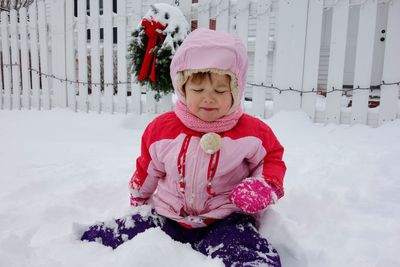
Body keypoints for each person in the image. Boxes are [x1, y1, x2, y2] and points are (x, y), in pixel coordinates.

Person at [81, 28, 286, 267]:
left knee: (243, 250)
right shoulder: (162, 129)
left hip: (226, 218)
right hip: (169, 216)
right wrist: (139, 198)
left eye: (220, 91)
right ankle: (81, 246)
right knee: (124, 234)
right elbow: (149, 168)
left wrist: (263, 185)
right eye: (198, 90)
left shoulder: (251, 131)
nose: (208, 98)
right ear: (182, 89)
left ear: (236, 91)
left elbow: (271, 158)